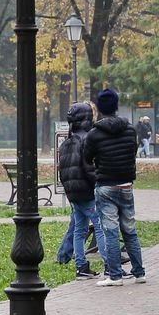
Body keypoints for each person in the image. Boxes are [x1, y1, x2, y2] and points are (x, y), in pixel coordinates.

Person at [84, 88, 146, 286]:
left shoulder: (94, 134)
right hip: (126, 184)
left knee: (110, 231)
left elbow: (86, 157)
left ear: (100, 108)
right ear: (117, 106)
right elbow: (133, 152)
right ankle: (139, 272)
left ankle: (115, 275)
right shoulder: (130, 130)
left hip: (106, 185)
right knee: (130, 229)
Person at [58, 102, 107, 279]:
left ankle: (81, 267)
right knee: (101, 227)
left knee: (80, 229)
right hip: (88, 193)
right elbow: (89, 169)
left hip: (73, 194)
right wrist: (98, 183)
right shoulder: (87, 140)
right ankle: (109, 265)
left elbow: (61, 170)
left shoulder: (66, 143)